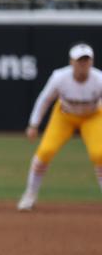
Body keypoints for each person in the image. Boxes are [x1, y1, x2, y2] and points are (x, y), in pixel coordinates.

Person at [17, 42, 102, 211]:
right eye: (79, 60)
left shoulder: (99, 79)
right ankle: (30, 195)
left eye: (86, 60)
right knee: (45, 152)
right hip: (64, 116)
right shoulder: (60, 77)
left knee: (99, 154)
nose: (83, 64)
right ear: (71, 62)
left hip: (93, 117)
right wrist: (34, 124)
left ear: (92, 62)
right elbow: (45, 99)